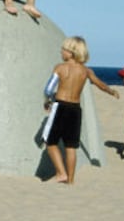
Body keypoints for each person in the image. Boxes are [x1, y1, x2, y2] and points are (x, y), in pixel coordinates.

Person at [40, 36, 118, 184]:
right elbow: (100, 84)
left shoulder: (60, 68)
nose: (61, 52)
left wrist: (47, 101)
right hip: (75, 110)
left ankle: (61, 173)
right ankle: (71, 180)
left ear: (71, 52)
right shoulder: (86, 71)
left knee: (50, 142)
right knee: (71, 146)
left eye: (63, 49)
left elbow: (48, 89)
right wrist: (111, 91)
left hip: (60, 107)